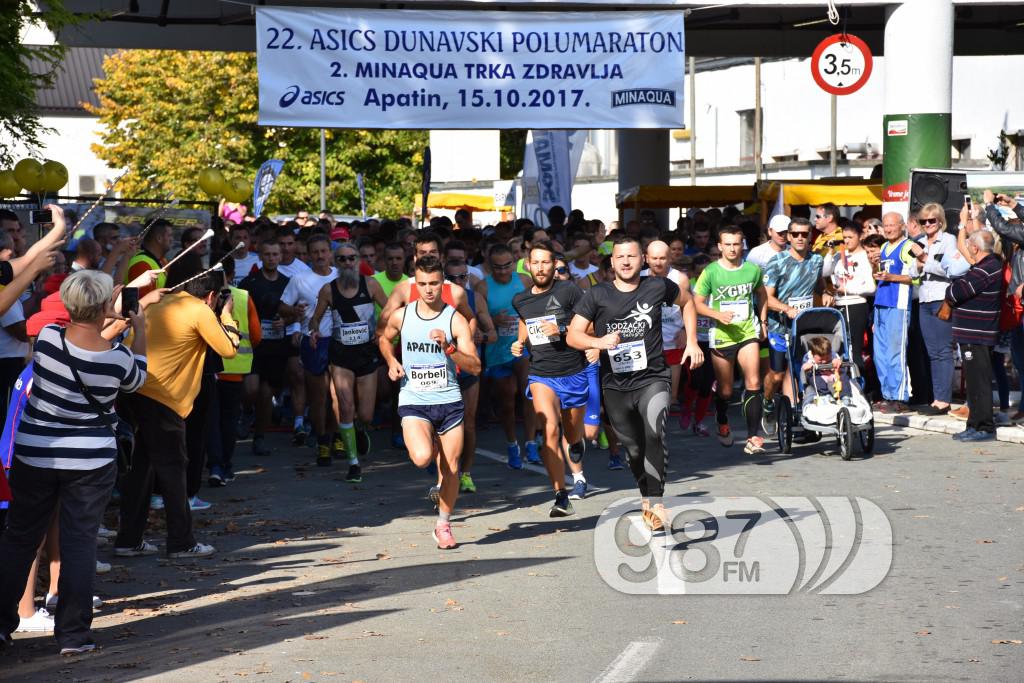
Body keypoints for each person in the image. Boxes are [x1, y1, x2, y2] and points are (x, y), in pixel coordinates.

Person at [0, 270, 147, 654]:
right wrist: (138, 327)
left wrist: (100, 313)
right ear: (103, 306)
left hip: (36, 452)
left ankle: (1, 623)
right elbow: (137, 378)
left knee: (20, 538)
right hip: (91, 460)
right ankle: (73, 634)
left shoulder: (47, 339)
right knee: (80, 542)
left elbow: (75, 339)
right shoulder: (119, 359)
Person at [567, 234, 703, 532]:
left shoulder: (657, 286)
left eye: (632, 256)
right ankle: (646, 494)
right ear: (612, 262)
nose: (626, 261)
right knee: (633, 450)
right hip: (615, 384)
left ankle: (656, 502)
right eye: (620, 257)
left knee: (655, 429)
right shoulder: (597, 295)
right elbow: (572, 335)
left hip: (653, 376)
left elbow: (688, 302)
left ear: (642, 260)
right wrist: (599, 341)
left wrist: (691, 341)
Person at [114, 265, 239, 560]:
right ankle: (181, 541)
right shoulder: (200, 310)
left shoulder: (163, 300)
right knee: (173, 469)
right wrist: (226, 314)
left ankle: (128, 539)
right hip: (162, 397)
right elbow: (229, 348)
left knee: (141, 468)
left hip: (134, 388)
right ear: (211, 295)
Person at [378, 256, 480, 549]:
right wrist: (391, 360)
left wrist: (449, 348)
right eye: (422, 284)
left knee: (451, 469)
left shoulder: (454, 319)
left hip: (448, 401)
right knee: (422, 457)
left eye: (434, 283)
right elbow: (384, 339)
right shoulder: (402, 315)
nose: (428, 290)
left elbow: (474, 366)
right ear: (415, 283)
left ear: (442, 283)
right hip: (415, 399)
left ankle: (443, 525)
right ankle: (434, 448)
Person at [511, 242, 590, 514]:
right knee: (550, 431)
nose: (541, 267)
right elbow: (525, 320)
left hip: (573, 371)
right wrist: (519, 342)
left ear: (554, 265)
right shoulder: (520, 299)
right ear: (528, 265)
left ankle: (577, 442)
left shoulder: (568, 290)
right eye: (536, 262)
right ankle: (560, 495)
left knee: (571, 432)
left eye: (546, 262)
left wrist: (562, 327)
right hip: (541, 373)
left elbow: (588, 322)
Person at [309, 243, 387, 477]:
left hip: (366, 355)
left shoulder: (370, 284)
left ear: (358, 259)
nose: (347, 263)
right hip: (340, 355)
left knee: (365, 415)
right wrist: (313, 331)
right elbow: (315, 319)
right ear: (336, 262)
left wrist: (382, 329)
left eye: (351, 258)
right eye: (342, 259)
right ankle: (353, 463)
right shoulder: (328, 290)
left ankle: (359, 429)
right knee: (345, 406)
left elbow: (392, 308)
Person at [693, 226, 769, 453]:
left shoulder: (752, 270)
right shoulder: (711, 272)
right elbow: (696, 303)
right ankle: (722, 419)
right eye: (728, 244)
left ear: (742, 244)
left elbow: (762, 294)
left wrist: (763, 322)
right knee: (725, 391)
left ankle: (753, 437)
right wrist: (717, 315)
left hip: (747, 332)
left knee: (754, 382)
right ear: (719, 246)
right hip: (722, 336)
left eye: (736, 243)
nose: (733, 248)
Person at [762, 217, 830, 436]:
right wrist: (786, 309)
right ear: (788, 237)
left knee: (801, 370)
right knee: (777, 374)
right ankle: (768, 402)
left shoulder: (816, 261)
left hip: (805, 327)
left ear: (810, 236)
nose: (800, 238)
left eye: (804, 234)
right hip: (780, 326)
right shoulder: (777, 262)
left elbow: (820, 287)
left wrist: (827, 294)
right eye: (795, 234)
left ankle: (797, 413)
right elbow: (766, 298)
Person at [476, 243, 538, 468]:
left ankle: (531, 442)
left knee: (527, 390)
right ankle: (512, 443)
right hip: (497, 351)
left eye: (506, 266)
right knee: (507, 401)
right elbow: (476, 325)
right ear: (489, 266)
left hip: (521, 347)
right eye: (497, 267)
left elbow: (538, 308)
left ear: (515, 261)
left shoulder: (524, 281)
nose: (502, 271)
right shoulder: (483, 287)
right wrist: (493, 322)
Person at [279, 235, 338, 460]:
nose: (320, 256)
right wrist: (294, 312)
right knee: (318, 396)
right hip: (312, 340)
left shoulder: (340, 275)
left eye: (324, 251)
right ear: (309, 254)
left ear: (330, 253)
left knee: (339, 394)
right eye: (316, 252)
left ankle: (336, 436)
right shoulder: (299, 279)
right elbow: (282, 307)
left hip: (339, 340)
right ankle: (323, 439)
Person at [946, 229, 1003, 441]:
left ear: (975, 248)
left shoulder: (987, 268)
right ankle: (974, 424)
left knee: (980, 382)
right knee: (973, 382)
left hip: (978, 334)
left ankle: (985, 427)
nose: (967, 249)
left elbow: (956, 292)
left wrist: (952, 289)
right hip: (972, 334)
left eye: (969, 245)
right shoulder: (982, 267)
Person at [239, 240, 291, 456]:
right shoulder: (249, 282)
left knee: (266, 392)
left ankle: (259, 437)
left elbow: (296, 311)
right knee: (251, 389)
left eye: (275, 254)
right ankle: (246, 411)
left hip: (277, 345)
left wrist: (286, 322)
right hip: (253, 345)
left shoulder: (288, 282)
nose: (271, 258)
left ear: (280, 256)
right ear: (260, 256)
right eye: (267, 254)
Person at [913, 203, 962, 416]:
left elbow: (950, 269)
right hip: (924, 299)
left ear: (940, 221)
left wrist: (925, 260)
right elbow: (911, 271)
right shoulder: (919, 242)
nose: (927, 224)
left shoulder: (949, 241)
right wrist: (917, 265)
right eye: (923, 221)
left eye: (931, 220)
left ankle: (944, 400)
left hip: (942, 299)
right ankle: (937, 398)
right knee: (932, 352)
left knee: (943, 351)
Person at [873, 212, 922, 413]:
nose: (888, 228)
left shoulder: (908, 247)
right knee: (880, 355)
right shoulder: (884, 247)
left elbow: (916, 278)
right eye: (885, 225)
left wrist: (891, 277)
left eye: (892, 225)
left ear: (902, 226)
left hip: (898, 304)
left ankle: (901, 397)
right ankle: (888, 395)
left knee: (896, 353)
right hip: (881, 303)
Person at [822, 221, 876, 384]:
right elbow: (825, 272)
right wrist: (831, 252)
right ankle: (843, 382)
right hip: (839, 305)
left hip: (856, 304)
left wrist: (848, 288)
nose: (846, 241)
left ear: (859, 237)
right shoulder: (840, 255)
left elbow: (871, 287)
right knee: (839, 346)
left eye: (850, 237)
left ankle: (859, 383)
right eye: (844, 237)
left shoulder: (864, 257)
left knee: (855, 347)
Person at [641, 240, 689, 408]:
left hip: (673, 335)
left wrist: (685, 330)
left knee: (672, 377)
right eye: (654, 258)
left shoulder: (680, 278)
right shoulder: (639, 278)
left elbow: (688, 305)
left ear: (670, 258)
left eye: (662, 258)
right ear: (646, 258)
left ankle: (673, 399)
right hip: (647, 338)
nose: (658, 262)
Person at [679, 254, 715, 436]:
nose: (703, 276)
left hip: (713, 339)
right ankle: (687, 407)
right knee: (695, 380)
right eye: (699, 273)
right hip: (693, 340)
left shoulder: (717, 285)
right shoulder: (689, 286)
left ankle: (699, 421)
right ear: (693, 273)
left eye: (706, 272)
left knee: (707, 382)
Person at [125, 218, 173, 295]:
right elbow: (142, 302)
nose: (172, 239)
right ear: (159, 238)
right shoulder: (142, 263)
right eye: (169, 235)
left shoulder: (162, 260)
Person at [800, 336, 851, 401]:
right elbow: (804, 367)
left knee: (843, 376)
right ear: (812, 354)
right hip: (819, 375)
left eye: (827, 358)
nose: (824, 361)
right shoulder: (808, 357)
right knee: (813, 377)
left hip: (833, 374)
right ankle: (826, 394)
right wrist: (807, 366)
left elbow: (839, 363)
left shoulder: (833, 355)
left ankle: (845, 395)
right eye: (820, 360)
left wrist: (837, 362)